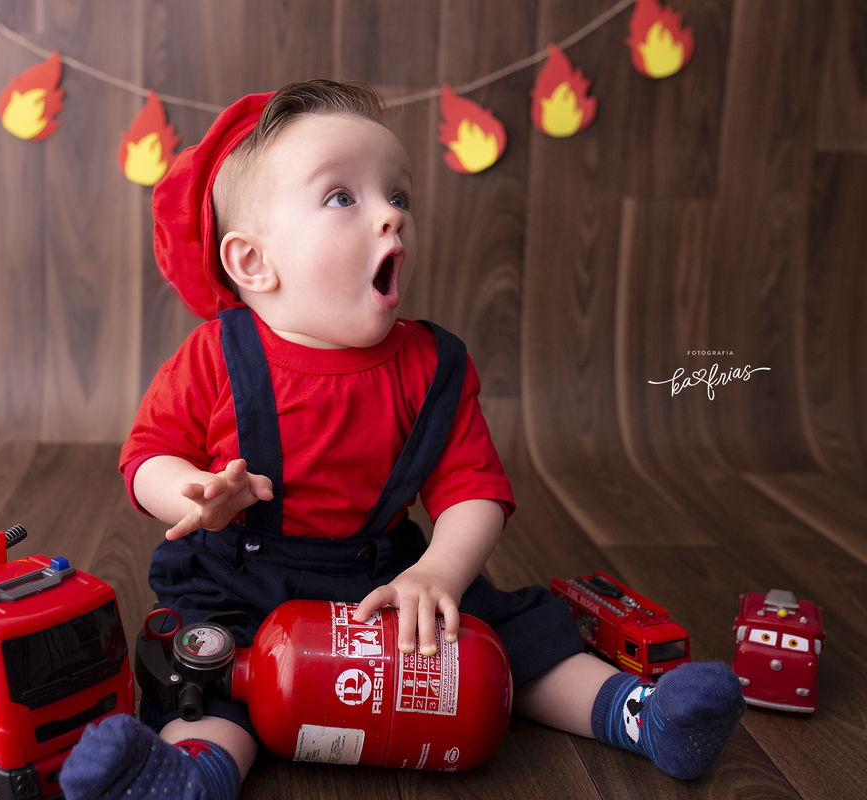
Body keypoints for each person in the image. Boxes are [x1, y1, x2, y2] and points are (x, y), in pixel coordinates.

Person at [58, 80, 744, 800]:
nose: (392, 216)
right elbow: (144, 460)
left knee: (512, 634)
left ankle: (641, 717)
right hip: (236, 574)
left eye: (400, 196)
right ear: (254, 262)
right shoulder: (215, 356)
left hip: (377, 577)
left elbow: (474, 490)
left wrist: (439, 572)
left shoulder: (432, 367)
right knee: (214, 671)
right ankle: (195, 773)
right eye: (342, 198)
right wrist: (192, 490)